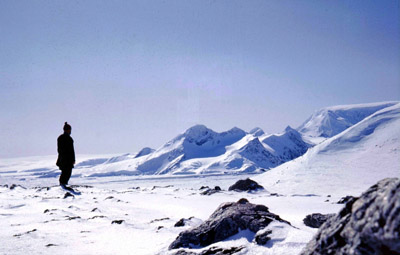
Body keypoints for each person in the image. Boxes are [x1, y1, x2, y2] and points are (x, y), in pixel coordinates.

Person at [56, 122, 75, 188]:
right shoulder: (67, 138)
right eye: (69, 130)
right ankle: (62, 185)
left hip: (63, 159)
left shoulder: (61, 138)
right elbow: (70, 150)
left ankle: (63, 184)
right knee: (66, 173)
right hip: (66, 159)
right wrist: (72, 159)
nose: (70, 131)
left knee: (66, 172)